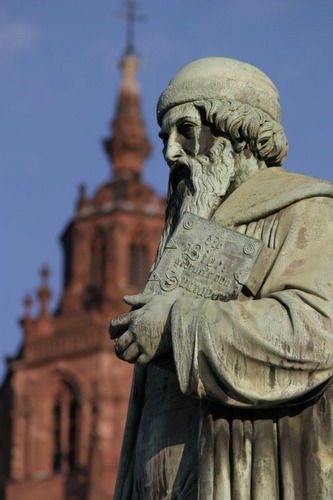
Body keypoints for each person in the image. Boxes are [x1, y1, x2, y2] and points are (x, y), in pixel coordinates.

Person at [110, 58, 333, 499]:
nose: (171, 152)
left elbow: (316, 332)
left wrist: (178, 324)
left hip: (255, 476)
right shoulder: (186, 235)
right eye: (165, 137)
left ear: (239, 131)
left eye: (186, 131)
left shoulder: (308, 212)